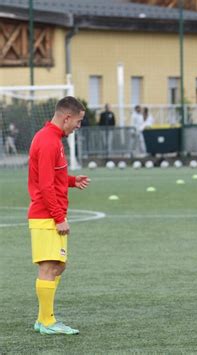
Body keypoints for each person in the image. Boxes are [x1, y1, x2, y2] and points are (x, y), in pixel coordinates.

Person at [28, 96, 90, 335]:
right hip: (46, 216)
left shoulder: (53, 138)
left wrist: (72, 181)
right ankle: (46, 321)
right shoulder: (48, 141)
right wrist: (58, 217)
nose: (78, 126)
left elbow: (53, 176)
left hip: (50, 214)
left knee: (59, 266)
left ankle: (44, 318)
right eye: (78, 121)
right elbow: (45, 185)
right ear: (67, 117)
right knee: (49, 266)